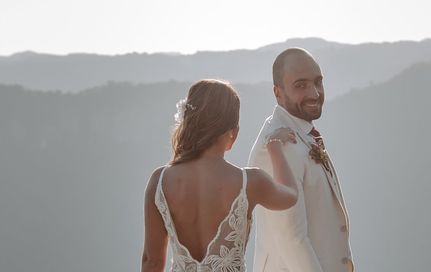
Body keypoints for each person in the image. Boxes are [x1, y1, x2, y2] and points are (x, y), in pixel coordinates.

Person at [141, 79, 299, 272]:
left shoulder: (159, 181)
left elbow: (152, 260)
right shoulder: (249, 183)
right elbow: (290, 195)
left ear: (188, 124)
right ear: (233, 133)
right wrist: (274, 146)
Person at [249, 48, 354, 272]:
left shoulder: (300, 131)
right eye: (301, 85)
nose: (315, 94)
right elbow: (291, 238)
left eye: (318, 82)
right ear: (278, 92)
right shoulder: (279, 145)